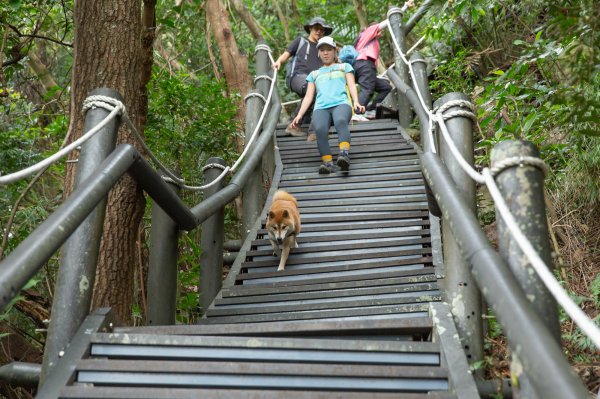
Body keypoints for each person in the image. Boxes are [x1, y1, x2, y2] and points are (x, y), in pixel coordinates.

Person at [291, 36, 365, 174]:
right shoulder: (314, 74)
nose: (326, 53)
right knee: (319, 129)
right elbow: (308, 96)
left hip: (341, 104)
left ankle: (344, 154)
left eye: (329, 50)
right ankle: (328, 163)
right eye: (322, 50)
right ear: (318, 53)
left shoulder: (344, 67)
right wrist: (299, 115)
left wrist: (356, 101)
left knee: (340, 120)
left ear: (334, 51)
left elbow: (351, 85)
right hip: (321, 108)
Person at [272, 17, 333, 139]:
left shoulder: (322, 49)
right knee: (313, 90)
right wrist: (278, 62)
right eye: (316, 29)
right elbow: (286, 54)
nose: (319, 32)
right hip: (297, 77)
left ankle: (308, 128)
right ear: (310, 28)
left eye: (322, 30)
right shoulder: (300, 41)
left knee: (320, 93)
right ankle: (299, 127)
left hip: (314, 81)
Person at [353, 20, 392, 119]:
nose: (381, 32)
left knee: (385, 88)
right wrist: (403, 8)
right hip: (364, 64)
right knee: (367, 89)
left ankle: (371, 109)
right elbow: (385, 23)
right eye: (379, 30)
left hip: (363, 68)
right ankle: (357, 113)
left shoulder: (371, 40)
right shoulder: (368, 32)